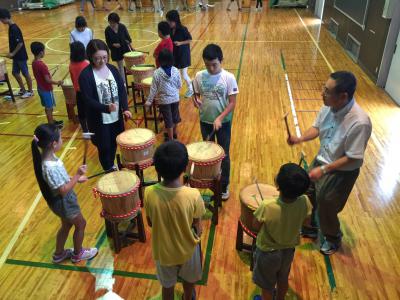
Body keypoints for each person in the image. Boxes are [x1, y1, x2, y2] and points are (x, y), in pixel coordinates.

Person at [288, 71, 372, 255]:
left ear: (343, 96)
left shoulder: (360, 122)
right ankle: (314, 224)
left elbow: (353, 157)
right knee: (306, 188)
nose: (322, 94)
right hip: (322, 160)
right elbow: (317, 127)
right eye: (323, 89)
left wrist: (324, 170)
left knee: (327, 203)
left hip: (342, 170)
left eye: (327, 91)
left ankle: (333, 238)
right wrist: (300, 138)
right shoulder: (328, 105)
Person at [144, 141, 206, 300]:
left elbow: (150, 223)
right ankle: (187, 296)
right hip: (188, 251)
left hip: (163, 251)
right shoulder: (193, 195)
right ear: (185, 167)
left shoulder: (149, 192)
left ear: (157, 168)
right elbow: (199, 228)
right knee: (189, 282)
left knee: (167, 287)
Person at [32, 123, 98, 263]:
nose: (63, 140)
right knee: (81, 224)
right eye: (61, 138)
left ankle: (59, 254)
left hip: (60, 202)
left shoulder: (49, 158)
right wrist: (76, 175)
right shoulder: (49, 167)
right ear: (53, 144)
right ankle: (78, 254)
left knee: (66, 225)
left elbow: (60, 180)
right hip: (64, 202)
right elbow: (62, 191)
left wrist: (75, 179)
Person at [252, 163, 311, 300]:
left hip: (268, 252)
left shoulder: (267, 206)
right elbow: (306, 222)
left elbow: (255, 226)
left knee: (267, 286)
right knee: (283, 278)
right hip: (288, 250)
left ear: (278, 186)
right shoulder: (305, 201)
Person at [192, 44, 239, 200]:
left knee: (223, 155)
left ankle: (224, 186)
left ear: (221, 60)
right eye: (207, 65)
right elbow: (197, 94)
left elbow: (232, 102)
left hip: (223, 123)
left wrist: (219, 117)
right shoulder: (199, 76)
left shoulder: (229, 78)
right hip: (205, 121)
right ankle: (211, 182)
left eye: (214, 64)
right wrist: (196, 100)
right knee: (209, 153)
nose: (211, 68)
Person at [79, 39, 132, 172]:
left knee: (114, 142)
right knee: (104, 146)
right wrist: (105, 108)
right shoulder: (85, 75)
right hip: (99, 121)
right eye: (97, 59)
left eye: (104, 57)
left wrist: (125, 108)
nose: (102, 61)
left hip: (116, 117)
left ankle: (111, 165)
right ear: (90, 57)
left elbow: (121, 90)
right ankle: (108, 169)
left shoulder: (113, 69)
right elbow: (88, 100)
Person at [145, 49, 182, 141]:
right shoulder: (176, 70)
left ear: (160, 60)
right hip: (175, 98)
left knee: (168, 120)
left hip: (164, 101)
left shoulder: (157, 73)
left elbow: (153, 88)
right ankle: (174, 133)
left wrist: (149, 101)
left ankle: (171, 139)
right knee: (175, 117)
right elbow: (179, 85)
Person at [0, 8, 33, 99]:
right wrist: (11, 53)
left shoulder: (14, 28)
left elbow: (20, 43)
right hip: (16, 56)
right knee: (15, 73)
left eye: (1, 19)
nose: (1, 21)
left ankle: (30, 92)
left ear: (6, 18)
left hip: (20, 56)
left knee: (25, 73)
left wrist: (13, 53)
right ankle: (23, 90)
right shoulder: (10, 27)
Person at [30, 42, 63, 127]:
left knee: (47, 107)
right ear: (41, 52)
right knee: (49, 108)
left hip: (40, 88)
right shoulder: (42, 65)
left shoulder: (34, 62)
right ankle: (51, 125)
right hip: (46, 89)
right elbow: (48, 80)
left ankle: (51, 120)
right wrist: (58, 82)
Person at [166, 10, 193, 98]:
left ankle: (191, 89)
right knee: (175, 74)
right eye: (167, 21)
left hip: (183, 55)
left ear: (175, 20)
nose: (168, 23)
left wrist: (180, 43)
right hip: (175, 55)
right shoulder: (169, 29)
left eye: (170, 21)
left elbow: (190, 39)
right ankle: (175, 90)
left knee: (184, 75)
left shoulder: (183, 29)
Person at [105, 13, 133, 82]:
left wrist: (128, 43)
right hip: (116, 51)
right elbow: (108, 42)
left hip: (125, 49)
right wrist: (113, 45)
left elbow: (129, 39)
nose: (112, 24)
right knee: (120, 67)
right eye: (110, 22)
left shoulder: (122, 27)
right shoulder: (107, 30)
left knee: (131, 66)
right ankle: (123, 82)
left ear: (117, 21)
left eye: (113, 22)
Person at [69, 41, 90, 131]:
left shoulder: (71, 65)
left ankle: (85, 130)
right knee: (91, 109)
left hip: (79, 92)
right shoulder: (87, 64)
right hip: (89, 91)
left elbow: (73, 80)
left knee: (81, 112)